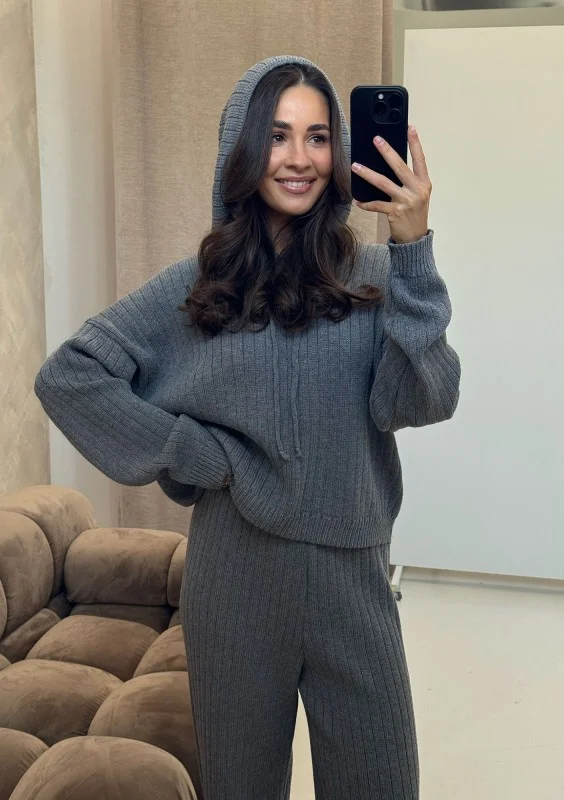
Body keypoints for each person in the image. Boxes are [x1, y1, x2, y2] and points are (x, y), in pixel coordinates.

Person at [35, 54, 461, 800]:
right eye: (277, 135)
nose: (299, 158)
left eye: (318, 137)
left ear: (338, 153)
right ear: (242, 149)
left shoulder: (377, 277)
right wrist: (189, 452)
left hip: (353, 577)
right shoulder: (198, 287)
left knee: (382, 784)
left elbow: (421, 399)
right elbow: (70, 375)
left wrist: (414, 254)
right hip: (234, 581)